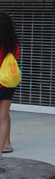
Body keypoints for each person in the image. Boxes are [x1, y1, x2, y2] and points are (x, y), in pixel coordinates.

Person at [0, 12, 20, 156]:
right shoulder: (11, 43)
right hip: (8, 82)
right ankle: (3, 147)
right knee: (4, 115)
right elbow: (16, 57)